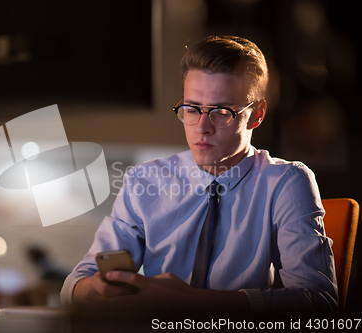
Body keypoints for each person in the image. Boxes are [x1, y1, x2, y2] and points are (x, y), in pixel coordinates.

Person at [60, 36, 338, 315]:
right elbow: (75, 284)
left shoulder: (286, 182)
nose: (202, 127)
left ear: (256, 115)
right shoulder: (143, 181)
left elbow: (318, 302)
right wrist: (92, 290)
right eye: (192, 109)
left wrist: (194, 303)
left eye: (221, 111)